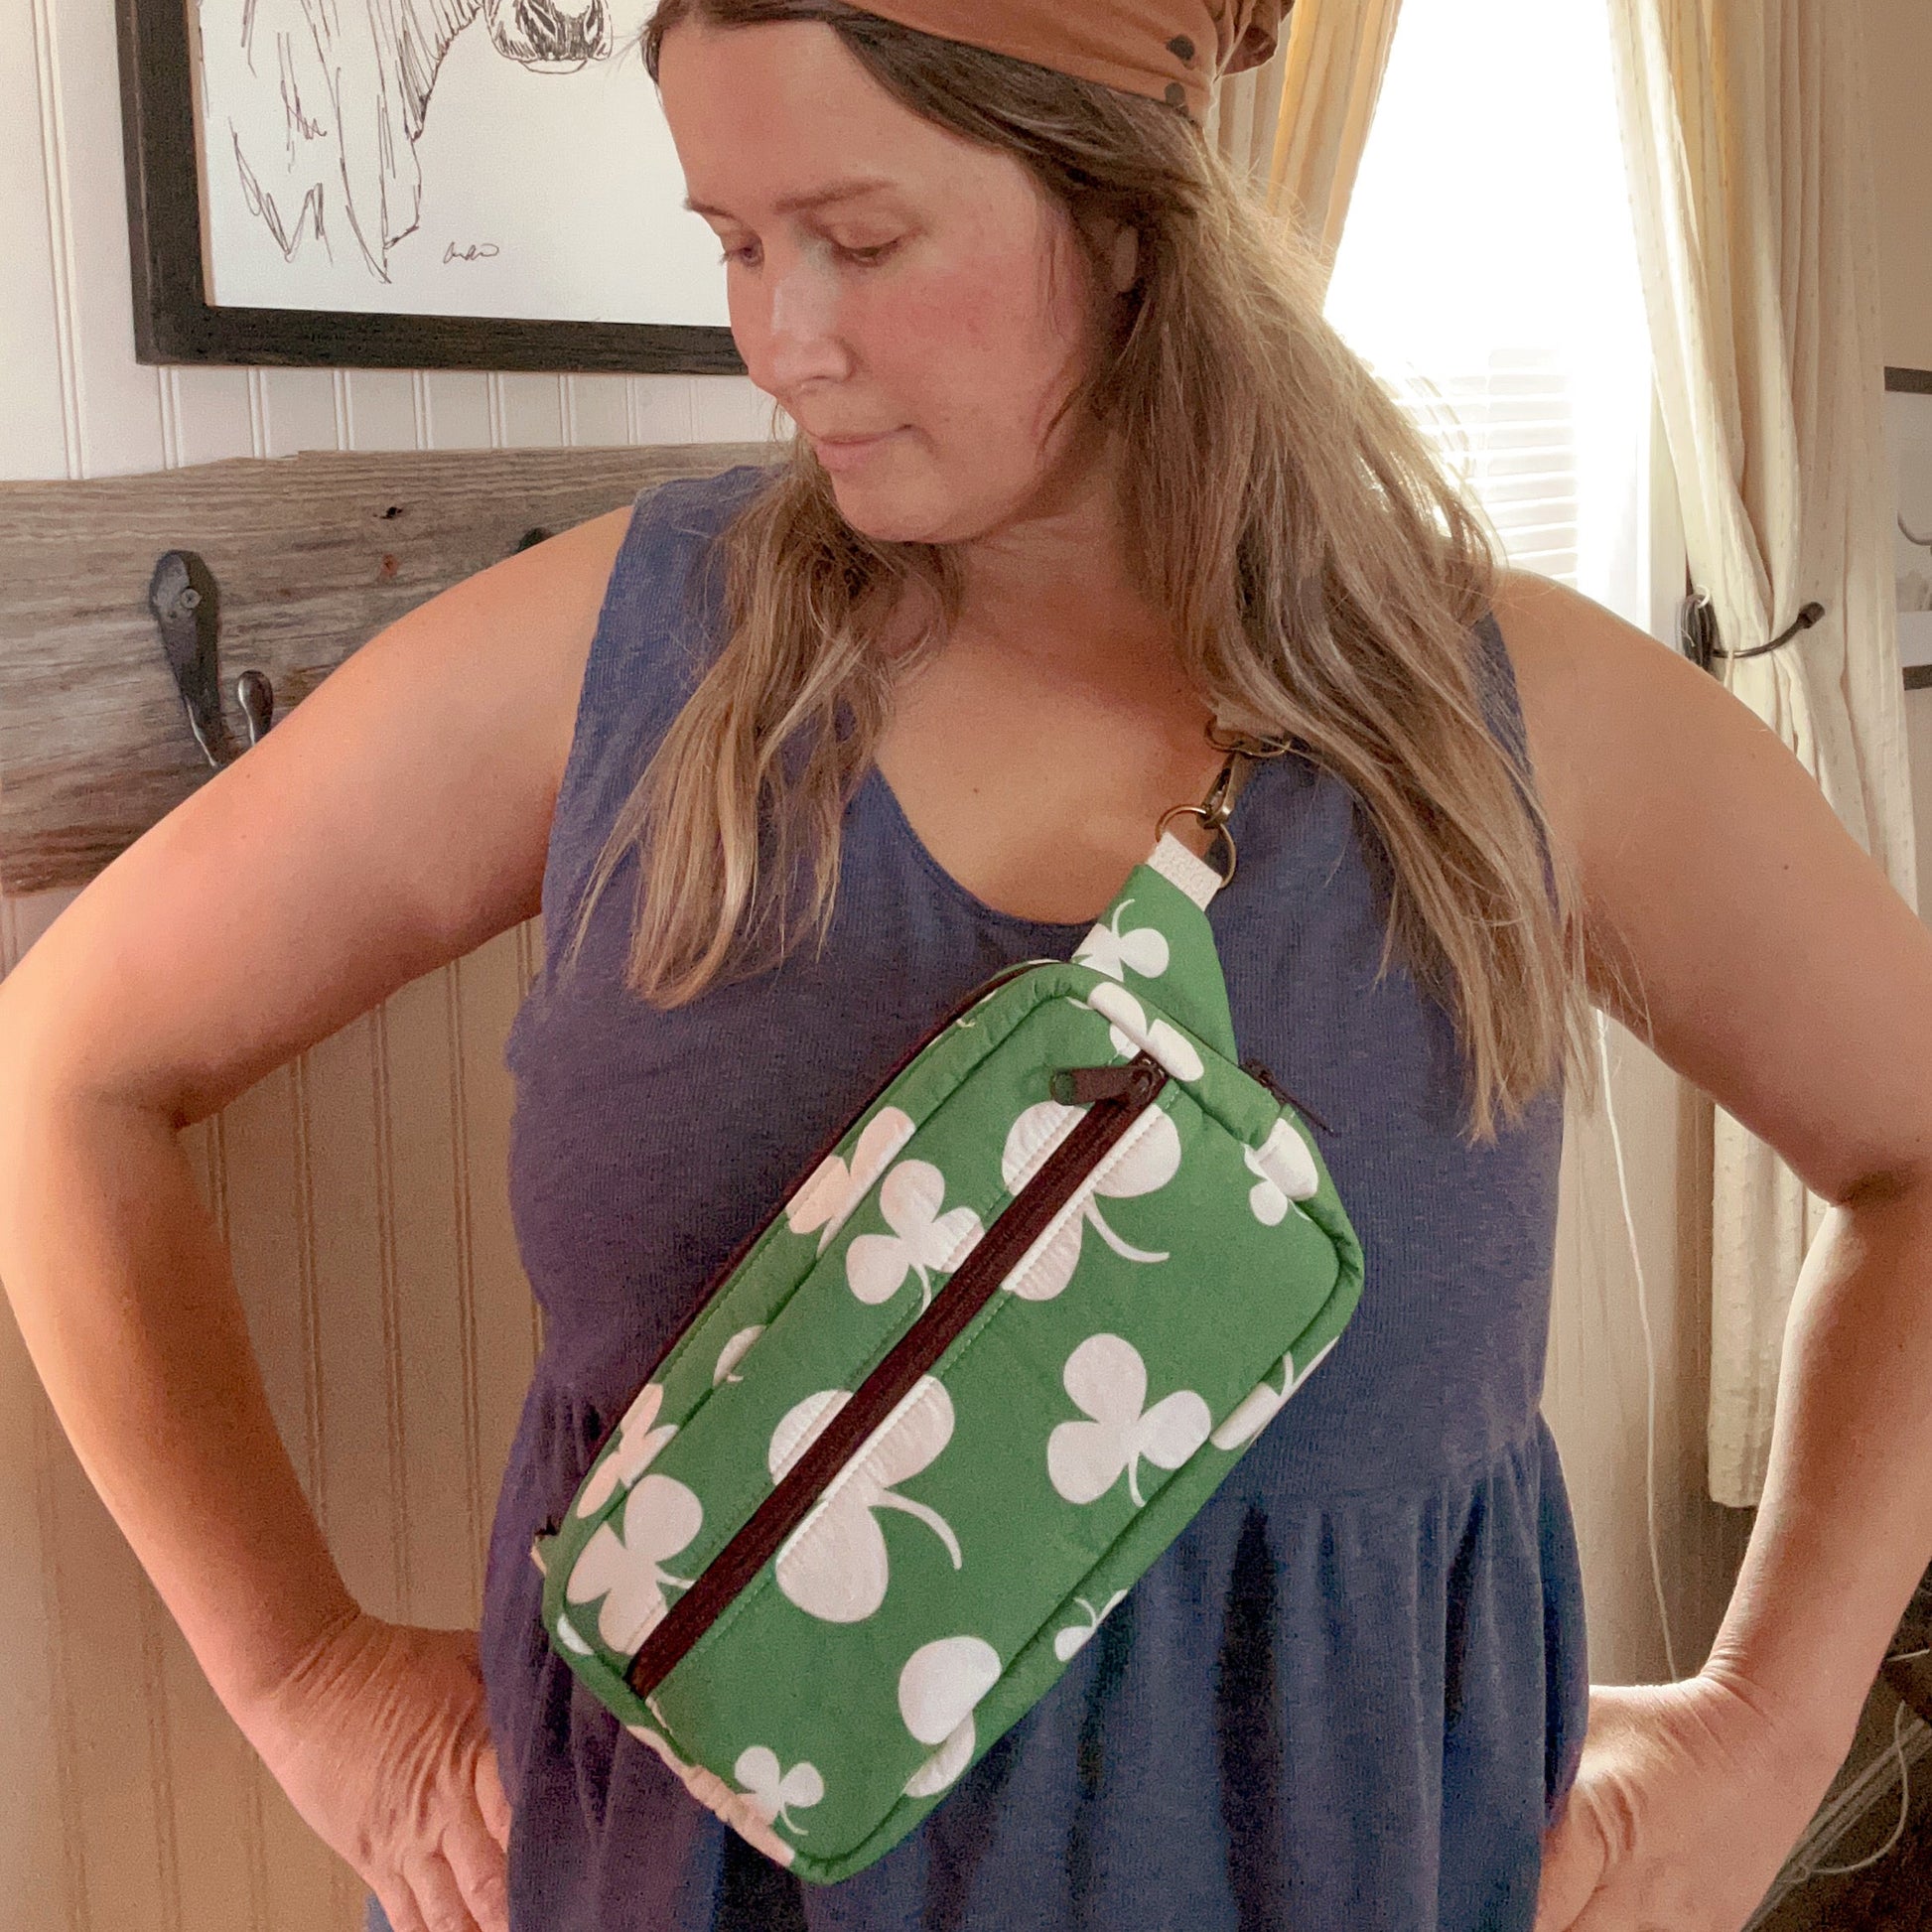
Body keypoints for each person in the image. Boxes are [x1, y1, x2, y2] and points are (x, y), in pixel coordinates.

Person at [4, 2, 1932, 1929]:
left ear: (1126, 217)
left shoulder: (1532, 717)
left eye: (858, 238)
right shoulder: (611, 661)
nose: (780, 340)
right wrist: (310, 1685)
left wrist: (1767, 1735)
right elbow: (66, 1064)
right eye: (733, 240)